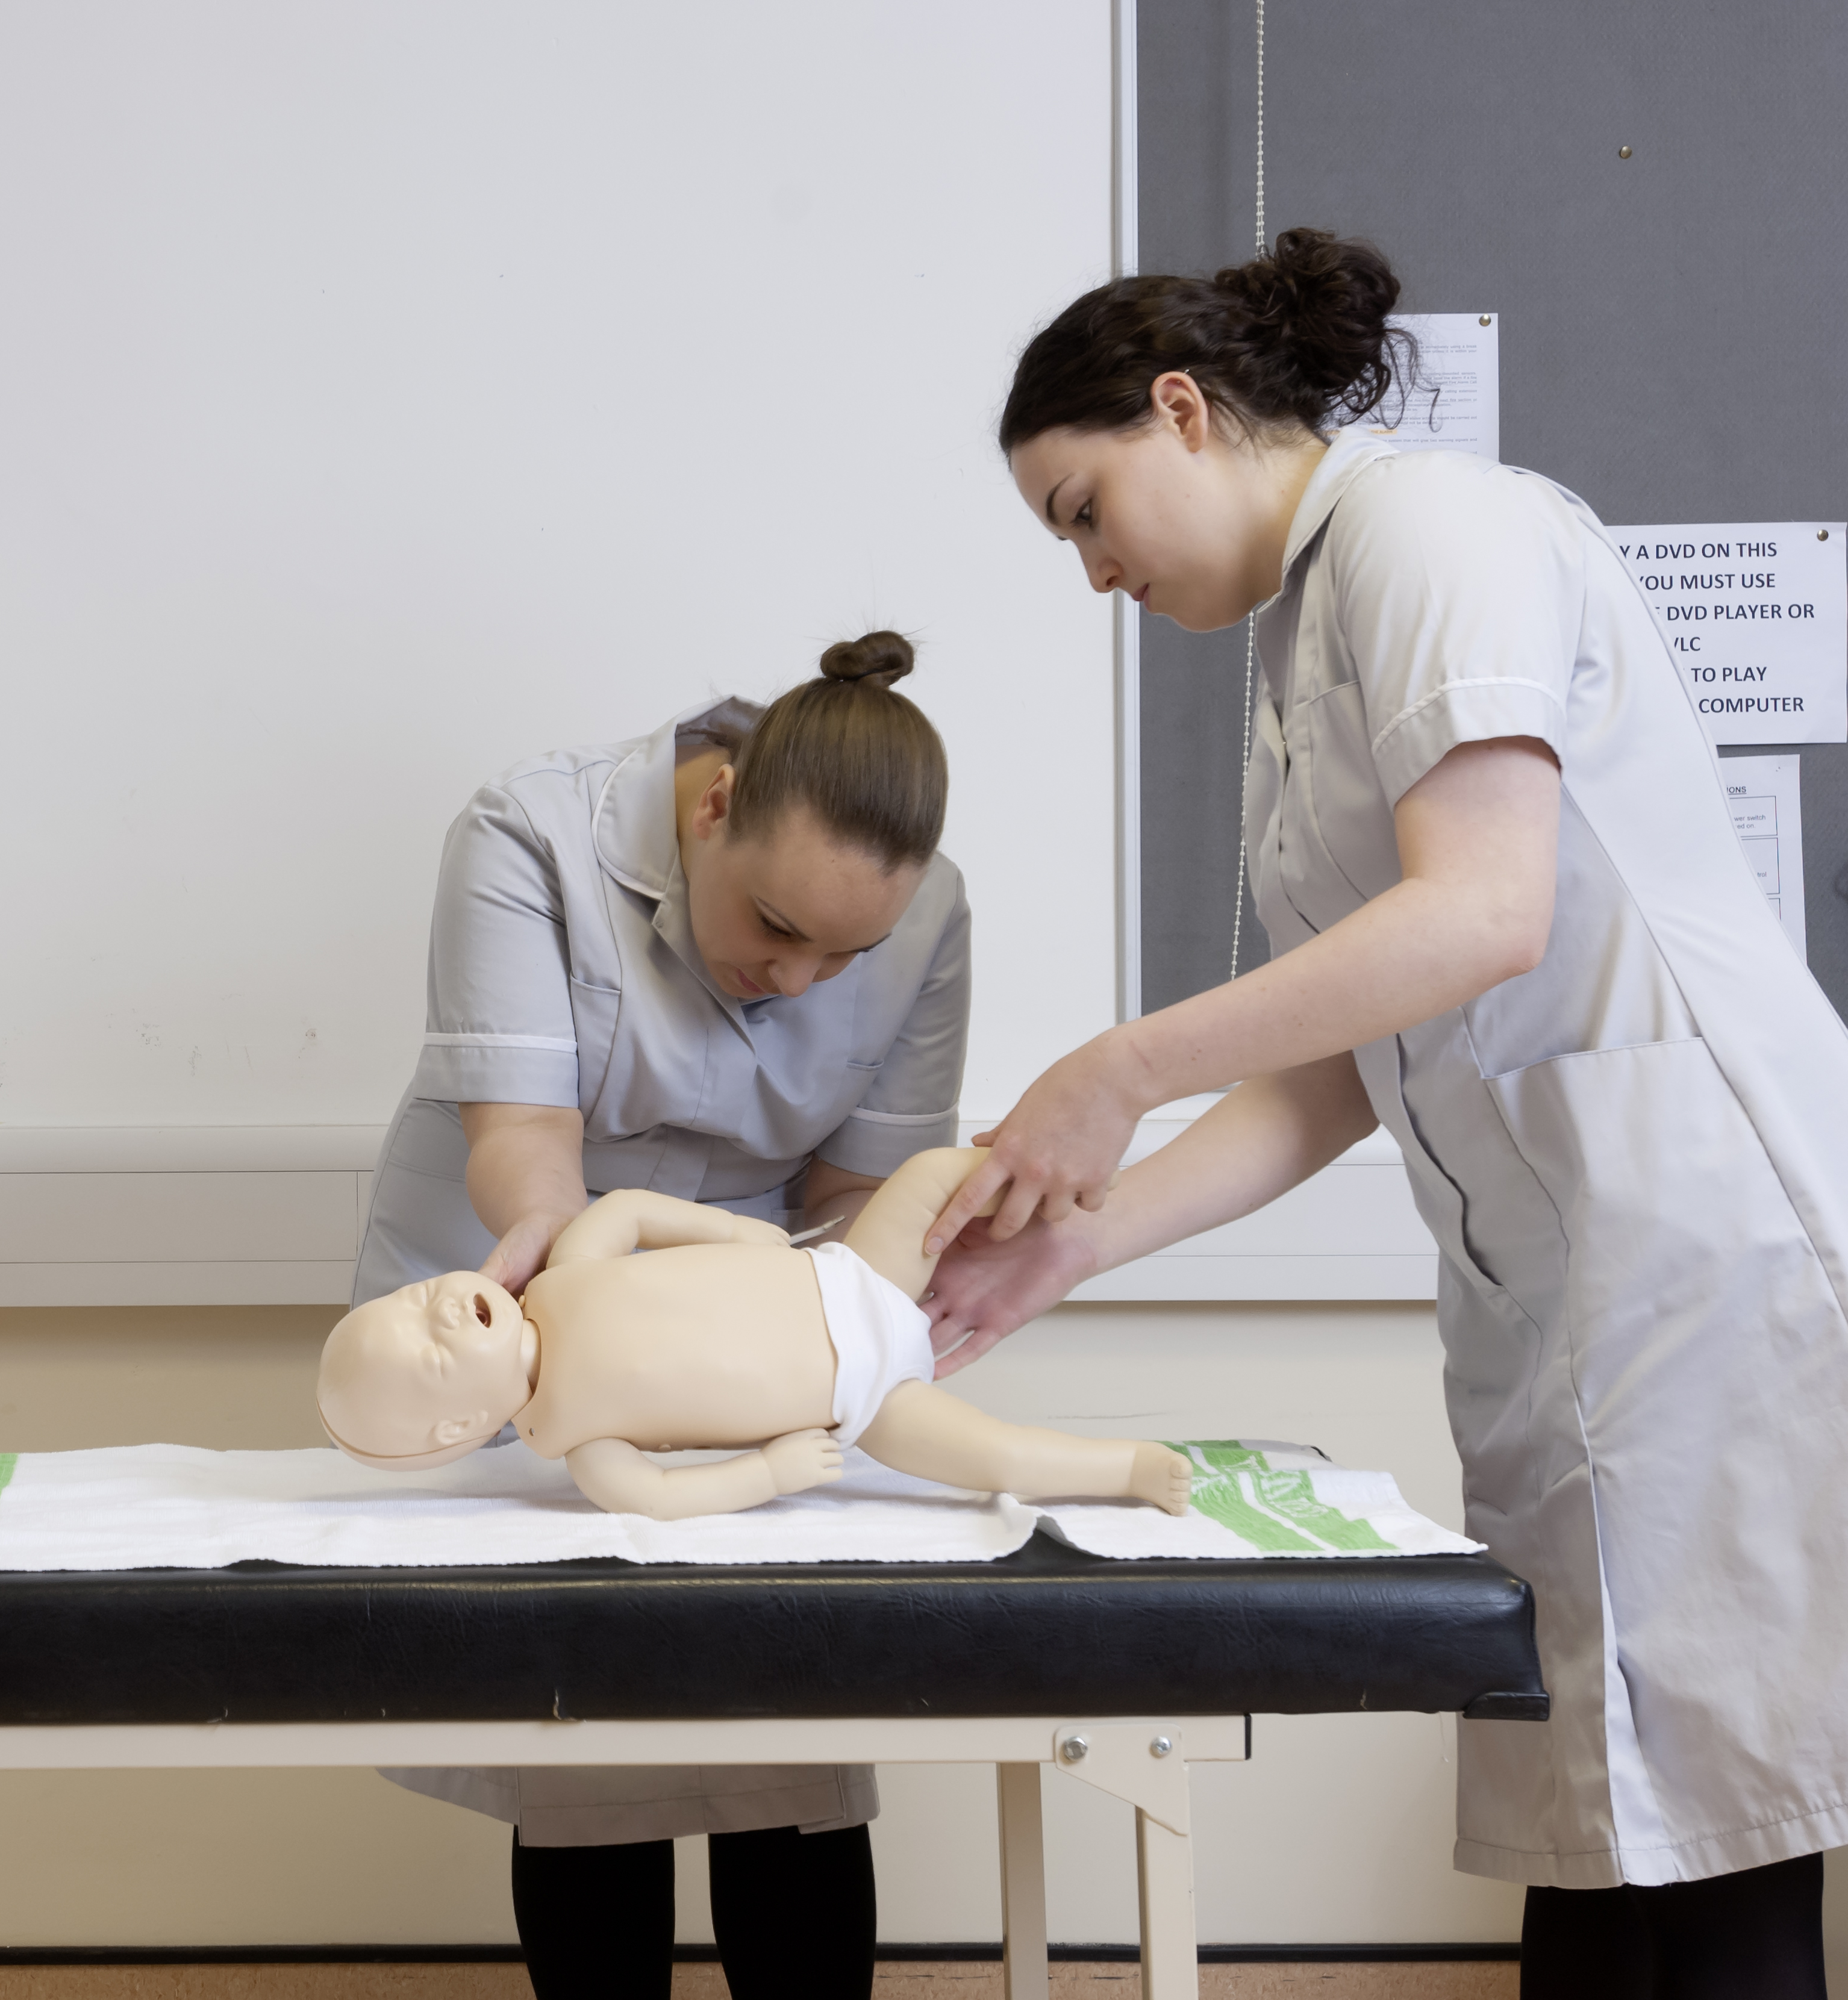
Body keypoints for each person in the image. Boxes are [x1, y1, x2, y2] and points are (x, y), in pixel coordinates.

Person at [933, 226, 1848, 1998]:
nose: (1092, 567)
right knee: (1601, 1828)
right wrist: (1082, 1244)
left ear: (1182, 412)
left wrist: (1119, 1068)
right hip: (1574, 1295)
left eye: (1083, 508)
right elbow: (1347, 1066)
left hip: (1704, 1263)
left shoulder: (1440, 531)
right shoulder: (1310, 638)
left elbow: (1481, 913)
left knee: (1709, 1846)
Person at [351, 634, 970, 2000]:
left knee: (786, 1731)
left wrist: (838, 1336)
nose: (801, 981)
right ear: (709, 809)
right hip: (520, 1296)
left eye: (844, 953)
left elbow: (860, 1191)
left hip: (751, 1308)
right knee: (582, 1731)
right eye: (778, 931)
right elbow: (524, 1150)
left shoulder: (927, 915)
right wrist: (597, 1349)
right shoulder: (531, 834)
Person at [322, 1155, 1193, 1518]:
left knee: (935, 1173)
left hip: (856, 1274)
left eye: (417, 1297)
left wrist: (737, 1234)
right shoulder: (584, 1445)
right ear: (456, 1429)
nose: (438, 1306)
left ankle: (1082, 1185)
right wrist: (768, 1473)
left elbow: (628, 1210)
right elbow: (657, 1498)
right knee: (997, 1461)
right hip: (862, 1401)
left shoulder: (565, 1272)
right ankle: (1124, 1469)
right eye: (434, 1350)